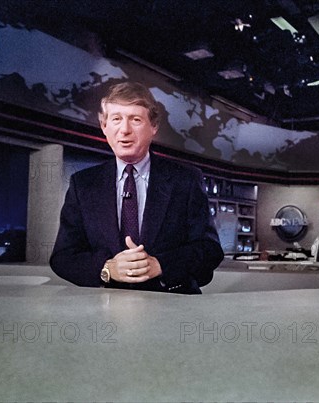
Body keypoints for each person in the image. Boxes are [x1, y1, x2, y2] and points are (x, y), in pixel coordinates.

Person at [50, 82, 224, 294]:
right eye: (116, 119)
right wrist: (107, 269)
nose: (124, 130)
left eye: (135, 119)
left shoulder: (185, 179)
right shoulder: (83, 184)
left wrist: (160, 265)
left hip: (173, 307)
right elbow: (63, 256)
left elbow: (210, 249)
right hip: (104, 310)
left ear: (154, 127)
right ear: (104, 127)